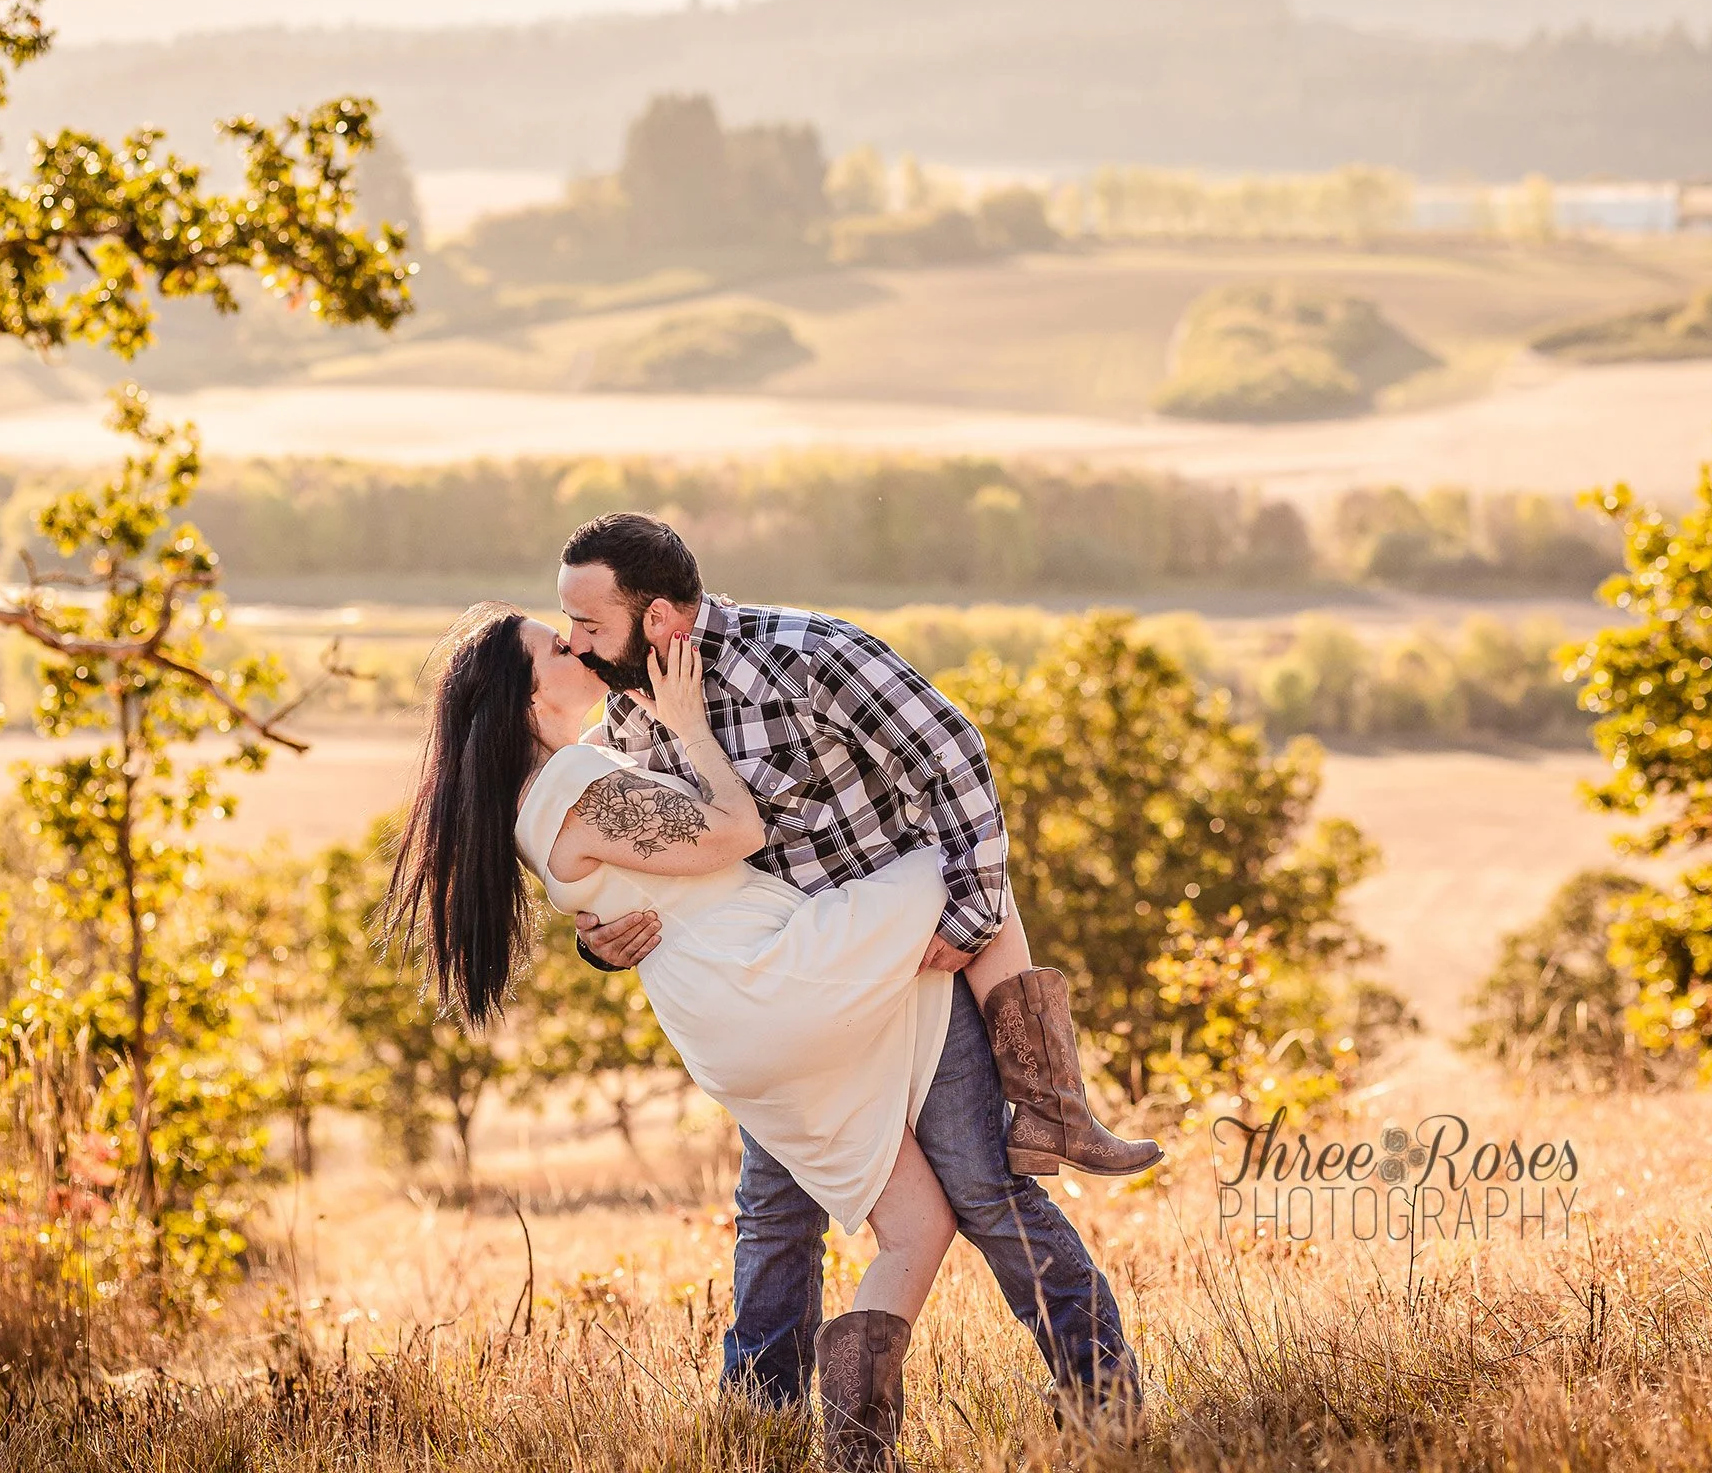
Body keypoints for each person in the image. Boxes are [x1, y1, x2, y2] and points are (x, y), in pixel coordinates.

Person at [387, 519, 1153, 1470]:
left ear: (656, 618)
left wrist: (601, 926)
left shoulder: (807, 656)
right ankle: (1057, 1136)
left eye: (584, 623)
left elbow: (951, 752)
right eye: (562, 636)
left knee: (889, 1210)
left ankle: (818, 1432)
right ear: (530, 694)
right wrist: (603, 932)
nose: (577, 643)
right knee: (963, 903)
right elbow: (688, 845)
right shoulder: (625, 726)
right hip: (804, 973)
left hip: (818, 982)